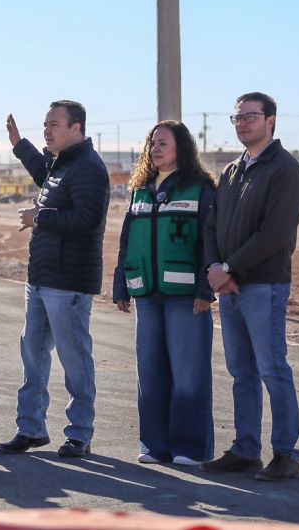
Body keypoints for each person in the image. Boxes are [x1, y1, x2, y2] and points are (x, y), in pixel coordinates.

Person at [201, 92, 299, 481]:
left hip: (264, 285)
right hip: (230, 289)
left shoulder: (285, 170)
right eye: (238, 117)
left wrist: (230, 268)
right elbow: (212, 225)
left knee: (272, 369)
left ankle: (286, 455)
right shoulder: (232, 170)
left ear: (270, 121)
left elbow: (275, 233)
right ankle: (246, 450)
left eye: (250, 116)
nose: (243, 123)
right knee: (241, 372)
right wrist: (215, 267)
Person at [0, 100, 110, 458]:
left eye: (54, 124)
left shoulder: (89, 167)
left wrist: (40, 218)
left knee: (75, 360)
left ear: (76, 128)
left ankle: (79, 433)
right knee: (33, 355)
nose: (47, 130)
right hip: (41, 279)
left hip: (69, 282)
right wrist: (19, 145)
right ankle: (30, 428)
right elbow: (41, 172)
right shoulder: (61, 164)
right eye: (45, 124)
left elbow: (87, 219)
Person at [113, 120, 216, 467]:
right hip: (146, 294)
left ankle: (190, 448)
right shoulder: (140, 190)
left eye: (163, 143)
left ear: (181, 148)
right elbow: (127, 241)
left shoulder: (200, 189)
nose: (155, 149)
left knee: (188, 373)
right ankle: (154, 446)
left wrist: (205, 289)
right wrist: (121, 285)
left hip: (186, 296)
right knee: (150, 372)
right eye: (152, 144)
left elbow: (210, 242)